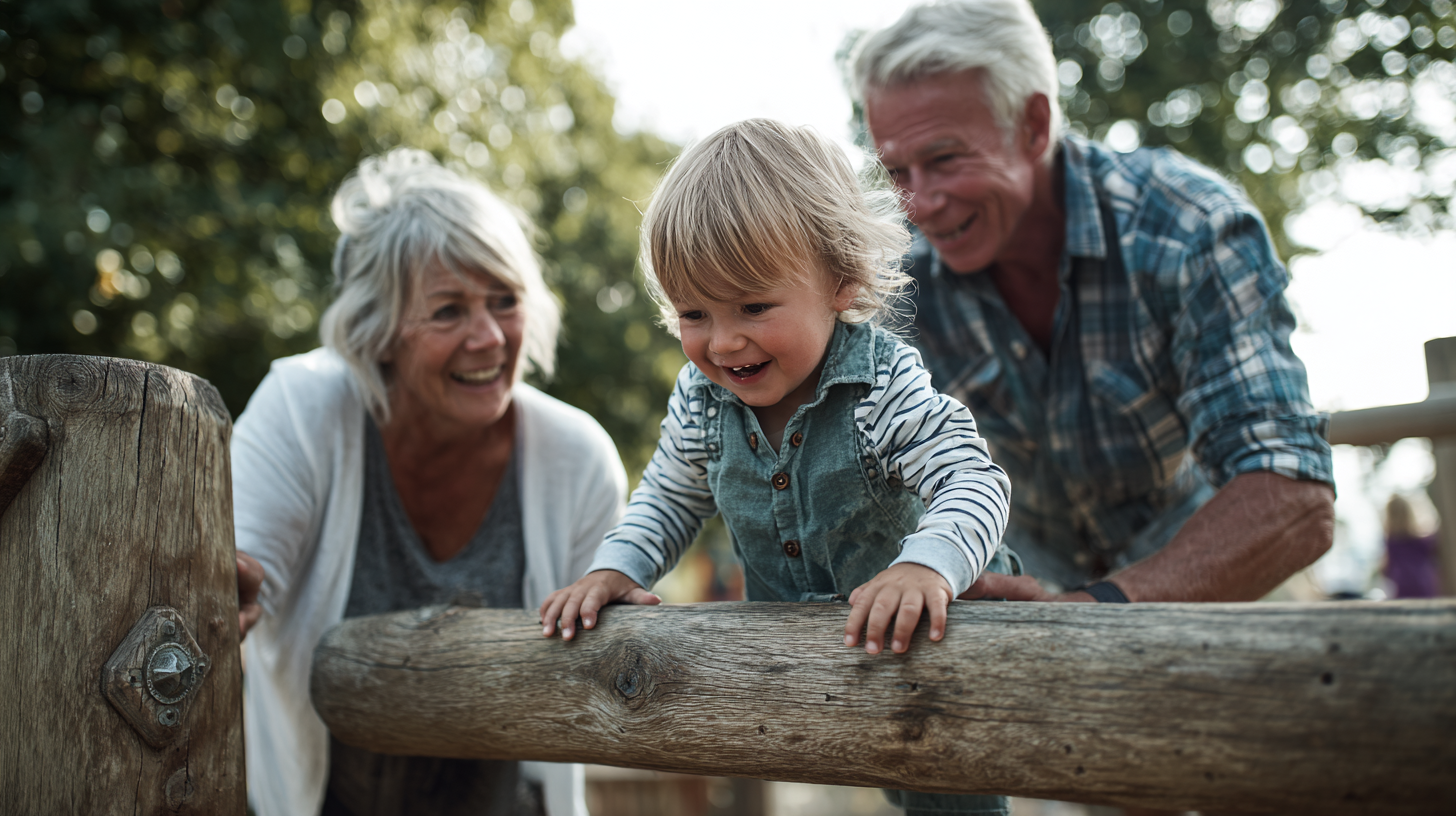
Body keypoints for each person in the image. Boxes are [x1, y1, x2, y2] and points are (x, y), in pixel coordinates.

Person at [539, 118, 1016, 816]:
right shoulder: (703, 399)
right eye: (694, 312)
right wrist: (617, 567)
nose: (724, 340)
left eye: (754, 306)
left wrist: (926, 566)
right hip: (792, 649)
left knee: (947, 793)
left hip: (932, 644)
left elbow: (973, 479)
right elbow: (669, 499)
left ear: (841, 282)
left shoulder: (878, 385)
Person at [848, 0, 1336, 610]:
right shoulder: (895, 279)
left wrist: (1090, 609)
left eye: (945, 159)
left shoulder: (1189, 228)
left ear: (1033, 125)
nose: (919, 203)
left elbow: (1294, 497)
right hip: (1020, 597)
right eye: (896, 171)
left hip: (1220, 595)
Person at [231, 149, 625, 816]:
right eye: (448, 312)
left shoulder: (576, 458)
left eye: (505, 302)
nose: (490, 337)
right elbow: (236, 580)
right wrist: (222, 588)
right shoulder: (303, 409)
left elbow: (598, 672)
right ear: (378, 332)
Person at [1382, 494, 1441, 599]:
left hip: (1402, 589)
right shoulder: (1421, 541)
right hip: (1423, 586)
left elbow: (1386, 568)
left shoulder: (1391, 542)